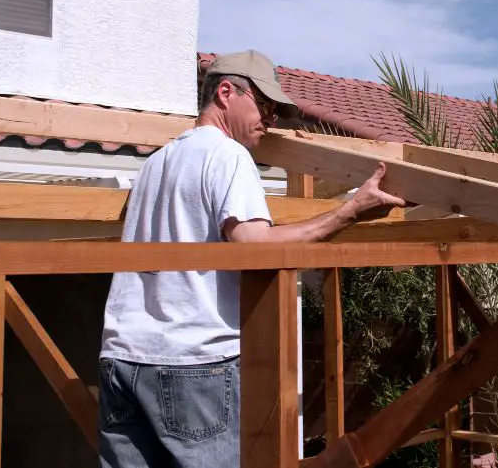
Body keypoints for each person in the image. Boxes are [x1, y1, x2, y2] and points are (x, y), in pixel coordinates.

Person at [97, 50, 405, 468]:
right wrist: (349, 212)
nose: (271, 119)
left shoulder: (155, 164)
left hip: (122, 358)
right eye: (264, 105)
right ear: (226, 92)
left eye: (276, 110)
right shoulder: (227, 155)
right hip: (193, 362)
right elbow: (256, 246)